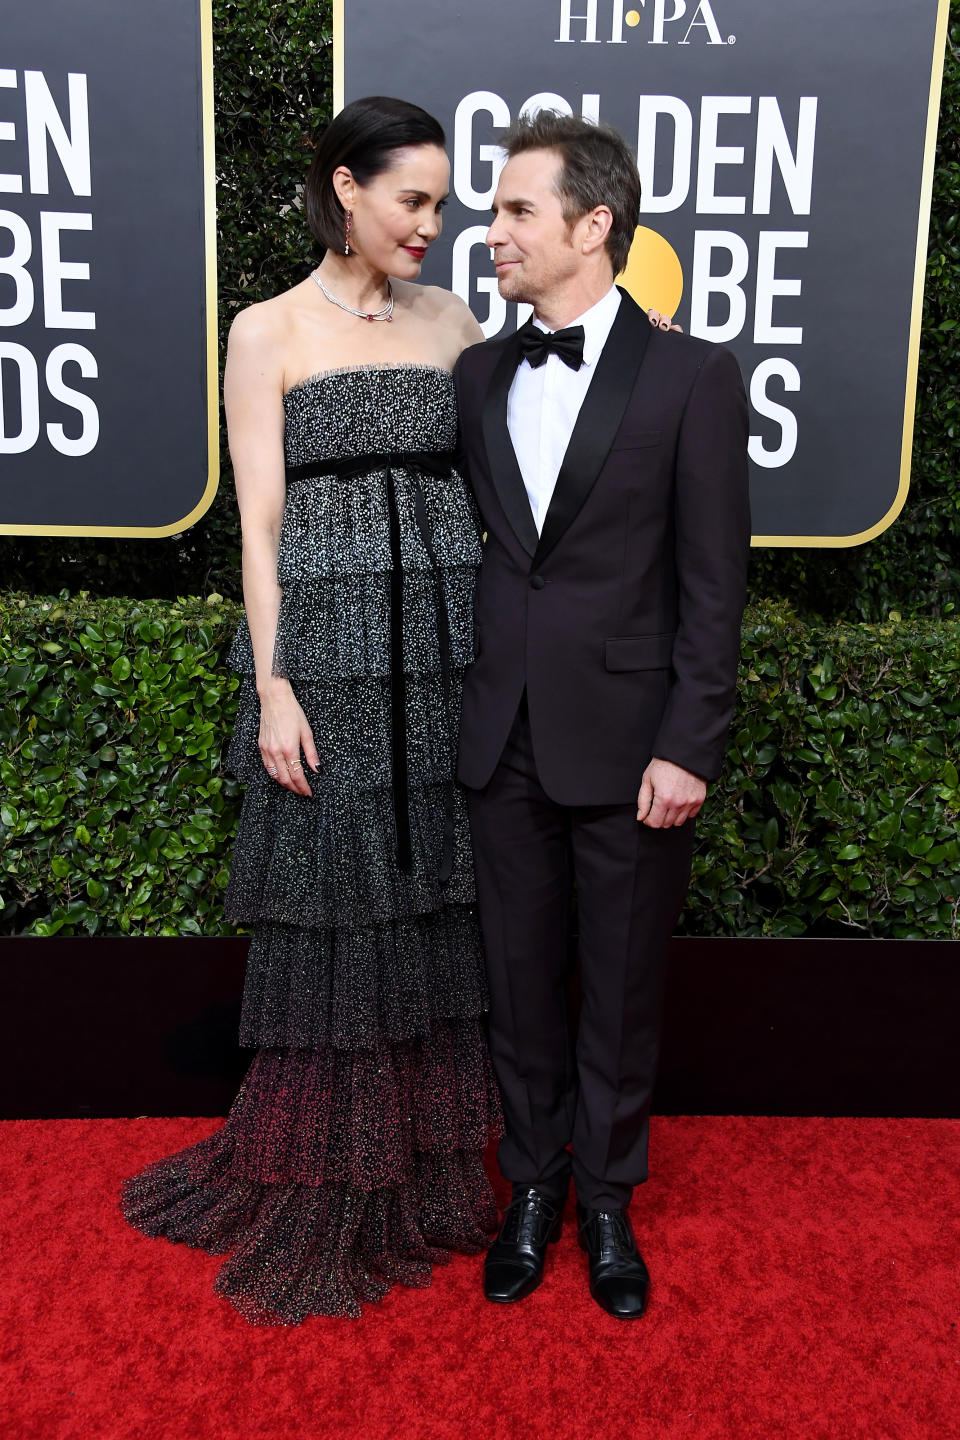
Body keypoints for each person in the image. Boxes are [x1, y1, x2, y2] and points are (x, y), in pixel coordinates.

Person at [121, 96, 501, 1324]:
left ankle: (430, 1161)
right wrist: (275, 684)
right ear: (346, 188)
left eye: (442, 204)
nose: (434, 226)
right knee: (340, 901)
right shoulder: (267, 329)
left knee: (432, 892)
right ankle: (325, 1166)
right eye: (414, 200)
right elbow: (262, 529)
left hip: (446, 648)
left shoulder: (455, 321)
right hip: (328, 660)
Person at [454, 111, 750, 1320]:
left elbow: (713, 584)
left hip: (635, 747)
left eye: (519, 210)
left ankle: (610, 1200)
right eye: (494, 208)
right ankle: (532, 1186)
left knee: (620, 987)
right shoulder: (479, 371)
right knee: (517, 986)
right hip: (501, 736)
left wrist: (690, 742)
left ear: (594, 225)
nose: (494, 230)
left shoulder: (691, 376)